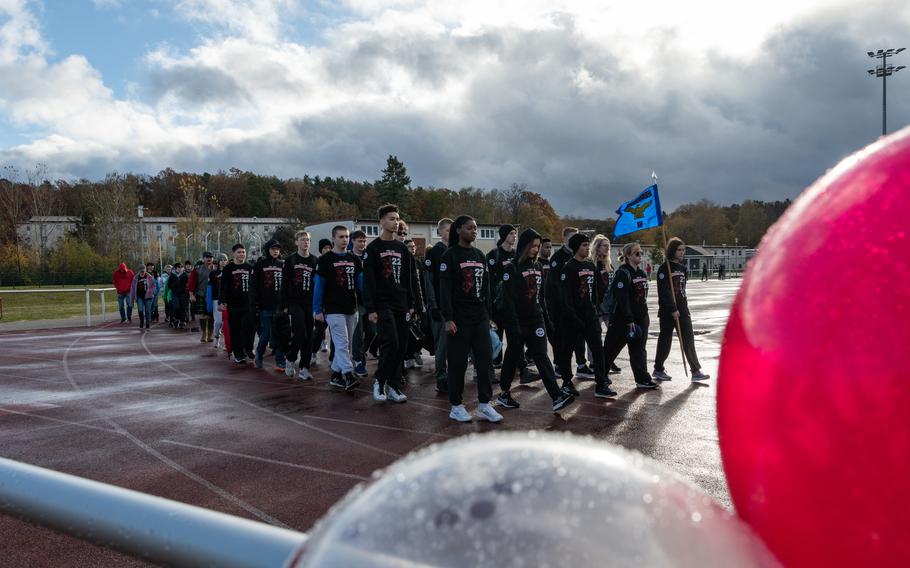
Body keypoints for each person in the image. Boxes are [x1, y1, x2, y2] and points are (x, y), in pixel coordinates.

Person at [496, 228, 575, 412]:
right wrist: (514, 327)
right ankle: (504, 392)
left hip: (535, 320)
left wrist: (547, 322)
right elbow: (508, 302)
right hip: (517, 321)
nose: (535, 249)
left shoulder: (538, 266)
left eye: (538, 246)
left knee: (541, 355)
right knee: (512, 355)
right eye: (533, 246)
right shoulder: (512, 268)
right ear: (524, 245)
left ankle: (556, 396)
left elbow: (541, 298)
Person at [440, 215, 503, 423]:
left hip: (479, 318)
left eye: (476, 228)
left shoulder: (479, 255)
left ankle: (485, 404)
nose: (474, 231)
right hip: (459, 320)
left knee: (484, 360)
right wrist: (448, 318)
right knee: (457, 364)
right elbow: (445, 290)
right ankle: (456, 406)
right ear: (458, 230)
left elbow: (485, 288)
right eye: (470, 228)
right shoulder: (450, 256)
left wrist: (489, 317)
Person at [363, 205, 417, 403]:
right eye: (391, 218)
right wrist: (371, 309)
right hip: (382, 304)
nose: (396, 222)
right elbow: (368, 282)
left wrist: (411, 304)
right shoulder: (373, 248)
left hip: (401, 304)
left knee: (401, 345)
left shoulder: (403, 248)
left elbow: (408, 279)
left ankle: (393, 386)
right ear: (382, 222)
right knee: (391, 342)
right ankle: (379, 380)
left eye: (397, 218)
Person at [556, 233, 615, 398]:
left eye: (588, 245)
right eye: (583, 245)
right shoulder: (569, 267)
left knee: (598, 349)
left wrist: (595, 307)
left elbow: (597, 289)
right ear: (576, 247)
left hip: (590, 316)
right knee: (568, 350)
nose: (587, 248)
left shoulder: (590, 266)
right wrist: (573, 316)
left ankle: (601, 383)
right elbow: (565, 296)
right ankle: (567, 382)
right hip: (573, 318)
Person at [652, 238, 711, 381]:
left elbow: (682, 291)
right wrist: (672, 308)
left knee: (688, 338)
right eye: (679, 250)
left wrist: (682, 308)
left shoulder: (683, 268)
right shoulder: (664, 268)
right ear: (672, 250)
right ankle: (658, 369)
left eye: (683, 250)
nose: (682, 252)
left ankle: (695, 371)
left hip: (683, 309)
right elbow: (664, 291)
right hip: (668, 311)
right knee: (665, 340)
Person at [602, 243, 660, 389]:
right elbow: (622, 299)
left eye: (641, 253)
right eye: (636, 253)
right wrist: (629, 319)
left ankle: (642, 378)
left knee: (639, 350)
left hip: (641, 318)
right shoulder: (622, 273)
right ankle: (601, 376)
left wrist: (644, 317)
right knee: (611, 349)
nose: (640, 255)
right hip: (622, 319)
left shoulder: (641, 273)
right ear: (628, 256)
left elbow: (642, 297)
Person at [314, 226, 362, 391]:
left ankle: (335, 374)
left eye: (347, 236)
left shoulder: (354, 259)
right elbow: (319, 286)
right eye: (341, 237)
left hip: (351, 306)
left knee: (346, 345)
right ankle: (348, 374)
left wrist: (369, 303)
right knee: (341, 343)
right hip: (333, 308)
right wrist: (317, 309)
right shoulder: (325, 260)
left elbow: (361, 284)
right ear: (333, 238)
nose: (345, 240)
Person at [546, 227, 593, 378]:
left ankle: (581, 364)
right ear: (565, 238)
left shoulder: (581, 258)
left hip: (578, 304)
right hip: (560, 305)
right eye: (573, 237)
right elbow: (555, 283)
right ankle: (559, 365)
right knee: (561, 337)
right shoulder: (557, 258)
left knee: (580, 336)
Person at [282, 231, 317, 380]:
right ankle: (290, 358)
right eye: (302, 240)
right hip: (294, 302)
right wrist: (283, 305)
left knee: (309, 335)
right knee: (300, 333)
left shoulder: (315, 261)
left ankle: (304, 368)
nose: (306, 242)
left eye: (308, 240)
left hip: (309, 302)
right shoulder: (290, 260)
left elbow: (318, 284)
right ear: (296, 242)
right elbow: (284, 284)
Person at [250, 239, 286, 371]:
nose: (276, 251)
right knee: (266, 334)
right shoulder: (259, 265)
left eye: (277, 249)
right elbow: (253, 286)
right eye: (273, 248)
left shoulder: (283, 264)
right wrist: (254, 304)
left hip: (280, 306)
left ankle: (280, 360)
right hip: (265, 305)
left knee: (280, 334)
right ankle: (259, 355)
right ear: (267, 250)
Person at [590, 234, 622, 375]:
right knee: (595, 337)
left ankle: (609, 359)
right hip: (597, 307)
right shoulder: (592, 264)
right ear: (597, 247)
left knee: (613, 335)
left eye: (608, 246)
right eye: (604, 245)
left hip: (609, 307)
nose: (607, 248)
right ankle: (592, 363)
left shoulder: (609, 265)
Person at [220, 244, 255, 364]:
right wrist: (222, 301)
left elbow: (255, 286)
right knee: (235, 329)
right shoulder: (228, 268)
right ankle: (238, 353)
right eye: (239, 252)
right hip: (233, 304)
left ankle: (248, 348)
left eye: (243, 252)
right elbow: (223, 286)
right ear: (234, 253)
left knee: (249, 327)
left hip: (248, 304)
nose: (242, 254)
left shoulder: (250, 268)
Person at [349, 230, 373, 378]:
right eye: (359, 241)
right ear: (353, 241)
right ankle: (358, 361)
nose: (362, 244)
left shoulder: (369, 256)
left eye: (364, 241)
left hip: (370, 300)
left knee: (372, 331)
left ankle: (361, 352)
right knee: (358, 332)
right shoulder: (349, 257)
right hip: (356, 300)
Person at [403, 238, 428, 370]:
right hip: (407, 302)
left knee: (422, 327)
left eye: (413, 246)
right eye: (409, 246)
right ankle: (408, 356)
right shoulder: (402, 262)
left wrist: (423, 301)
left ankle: (416, 350)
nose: (412, 248)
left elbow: (421, 283)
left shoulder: (418, 262)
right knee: (408, 330)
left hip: (419, 300)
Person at [311, 238, 334, 359]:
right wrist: (317, 307)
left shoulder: (335, 260)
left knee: (335, 332)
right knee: (319, 329)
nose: (328, 250)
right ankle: (313, 351)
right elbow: (316, 284)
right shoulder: (317, 262)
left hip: (334, 301)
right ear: (321, 250)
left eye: (329, 247)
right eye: (325, 248)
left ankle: (333, 358)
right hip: (321, 301)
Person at [188, 252, 215, 342]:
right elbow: (191, 282)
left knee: (211, 316)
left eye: (211, 257)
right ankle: (204, 334)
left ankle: (210, 335)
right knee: (203, 315)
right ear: (203, 258)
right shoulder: (197, 269)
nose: (209, 259)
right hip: (201, 294)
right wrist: (191, 294)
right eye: (207, 257)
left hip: (213, 296)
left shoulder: (215, 268)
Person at [129, 264, 158, 330]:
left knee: (148, 311)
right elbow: (132, 289)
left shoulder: (149, 277)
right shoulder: (136, 278)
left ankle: (147, 324)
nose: (142, 272)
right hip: (139, 297)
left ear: (145, 270)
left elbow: (154, 286)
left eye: (143, 271)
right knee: (140, 310)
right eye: (141, 271)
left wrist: (152, 292)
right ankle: (141, 320)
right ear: (139, 271)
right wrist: (132, 300)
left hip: (148, 296)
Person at [209, 254, 228, 350]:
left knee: (227, 323)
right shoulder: (213, 273)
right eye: (221, 260)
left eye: (225, 260)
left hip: (229, 300)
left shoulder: (230, 272)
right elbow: (210, 288)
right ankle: (217, 338)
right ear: (218, 261)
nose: (223, 261)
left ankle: (227, 342)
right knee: (218, 321)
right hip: (216, 299)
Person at [167, 263, 189, 329]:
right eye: (177, 267)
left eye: (180, 267)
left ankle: (182, 320)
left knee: (183, 307)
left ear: (182, 268)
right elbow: (169, 285)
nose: (178, 269)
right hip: (175, 293)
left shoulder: (185, 275)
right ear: (175, 268)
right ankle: (176, 319)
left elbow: (187, 284)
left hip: (183, 293)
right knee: (176, 306)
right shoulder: (172, 276)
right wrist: (176, 284)